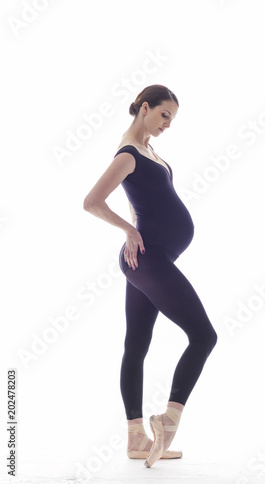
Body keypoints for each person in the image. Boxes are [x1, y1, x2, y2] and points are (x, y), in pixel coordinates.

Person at [83, 84, 218, 468]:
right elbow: (92, 202)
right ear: (145, 108)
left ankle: (137, 439)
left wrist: (136, 225)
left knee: (137, 345)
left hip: (152, 259)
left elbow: (140, 202)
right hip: (148, 259)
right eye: (164, 115)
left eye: (172, 119)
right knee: (204, 335)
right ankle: (168, 423)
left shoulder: (149, 153)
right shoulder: (128, 154)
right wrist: (129, 230)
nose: (167, 124)